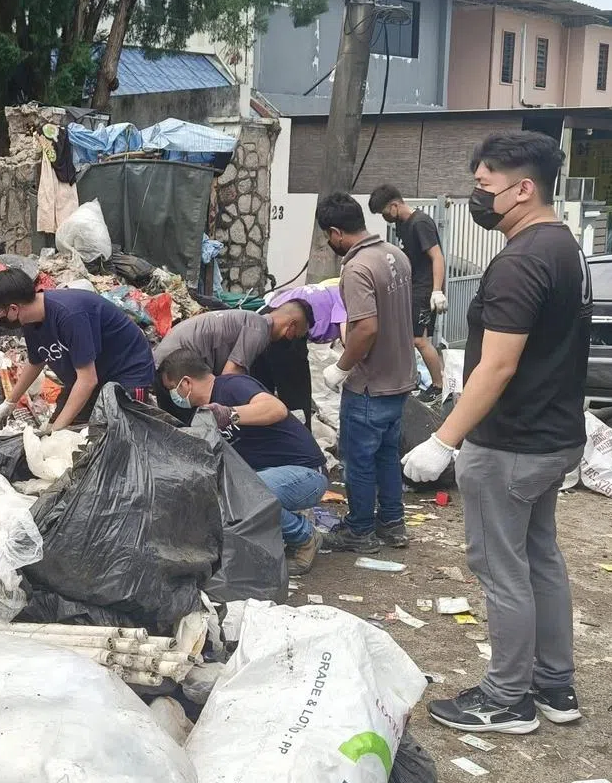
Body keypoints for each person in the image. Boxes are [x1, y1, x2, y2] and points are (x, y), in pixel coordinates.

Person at [401, 132, 590, 735]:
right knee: (540, 559)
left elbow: (498, 365)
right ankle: (554, 685)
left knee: (500, 567)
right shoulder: (565, 247)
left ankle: (507, 698)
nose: (476, 197)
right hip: (555, 436)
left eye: (484, 187)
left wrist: (444, 440)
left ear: (523, 188)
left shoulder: (522, 261)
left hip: (510, 443)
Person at [160, 348, 324, 575]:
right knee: (221, 494)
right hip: (269, 474)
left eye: (172, 389)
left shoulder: (232, 386)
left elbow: (276, 408)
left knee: (242, 494)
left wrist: (230, 414)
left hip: (306, 474)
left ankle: (304, 536)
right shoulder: (202, 414)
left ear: (186, 383)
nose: (173, 396)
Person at [316, 191, 415, 553]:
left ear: (336, 231)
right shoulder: (395, 255)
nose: (331, 243)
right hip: (401, 377)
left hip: (371, 384)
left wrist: (341, 369)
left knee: (357, 460)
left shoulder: (357, 268)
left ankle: (359, 530)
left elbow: (367, 328)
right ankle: (392, 523)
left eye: (329, 237)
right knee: (387, 455)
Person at [0, 269, 155, 429]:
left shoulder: (70, 315)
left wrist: (56, 431)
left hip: (127, 373)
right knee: (58, 433)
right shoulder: (30, 320)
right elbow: (36, 361)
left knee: (122, 436)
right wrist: (10, 402)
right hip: (88, 375)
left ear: (13, 308)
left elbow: (87, 380)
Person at [153, 301, 312, 420]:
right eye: (296, 335)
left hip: (164, 362)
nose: (292, 339)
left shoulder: (248, 319)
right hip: (174, 370)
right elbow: (229, 377)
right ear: (291, 326)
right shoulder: (258, 329)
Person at [370, 184, 447, 399]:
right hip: (412, 287)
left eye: (385, 212)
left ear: (394, 205)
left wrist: (437, 291)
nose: (385, 218)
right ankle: (411, 380)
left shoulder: (420, 223)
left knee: (420, 340)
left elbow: (437, 257)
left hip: (425, 288)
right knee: (407, 338)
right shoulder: (403, 224)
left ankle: (439, 387)